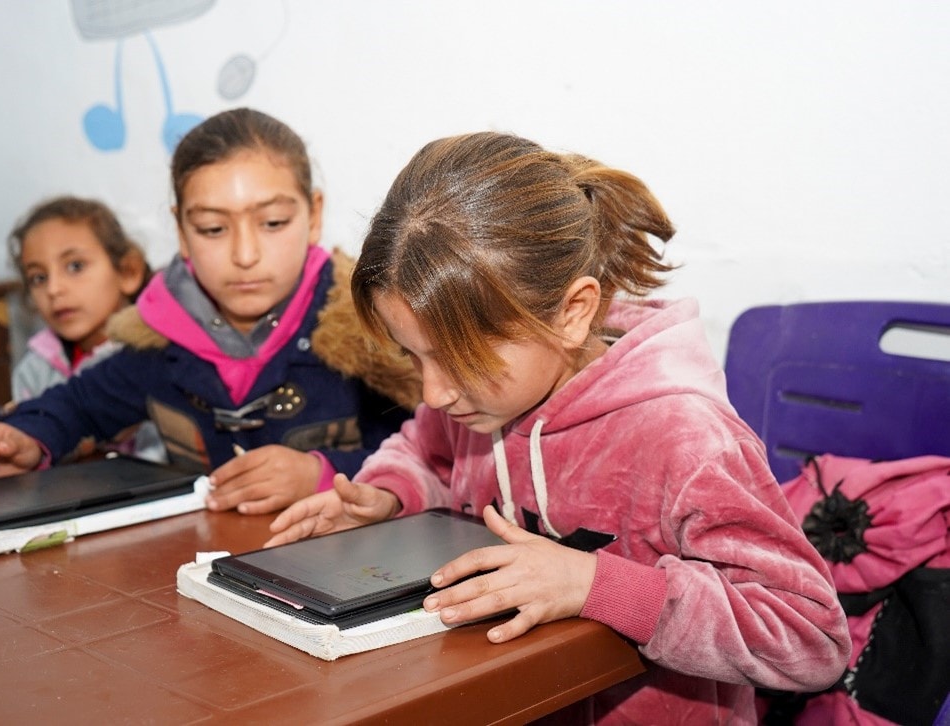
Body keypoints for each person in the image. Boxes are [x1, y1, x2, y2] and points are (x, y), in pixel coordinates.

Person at [266, 131, 851, 723]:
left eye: (462, 357)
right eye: (414, 356)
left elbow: (810, 639)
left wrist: (597, 585)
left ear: (572, 313)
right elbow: (428, 450)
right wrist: (392, 494)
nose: (434, 392)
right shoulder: (479, 404)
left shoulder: (687, 438)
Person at [0, 107, 420, 514]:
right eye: (213, 228)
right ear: (181, 230)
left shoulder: (369, 328)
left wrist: (325, 473)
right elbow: (79, 404)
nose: (245, 254)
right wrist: (23, 440)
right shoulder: (162, 336)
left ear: (314, 215)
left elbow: (436, 454)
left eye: (273, 222)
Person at [5, 195, 162, 461]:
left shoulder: (153, 357)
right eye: (38, 277)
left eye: (75, 266)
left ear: (128, 271)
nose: (54, 289)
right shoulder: (33, 370)